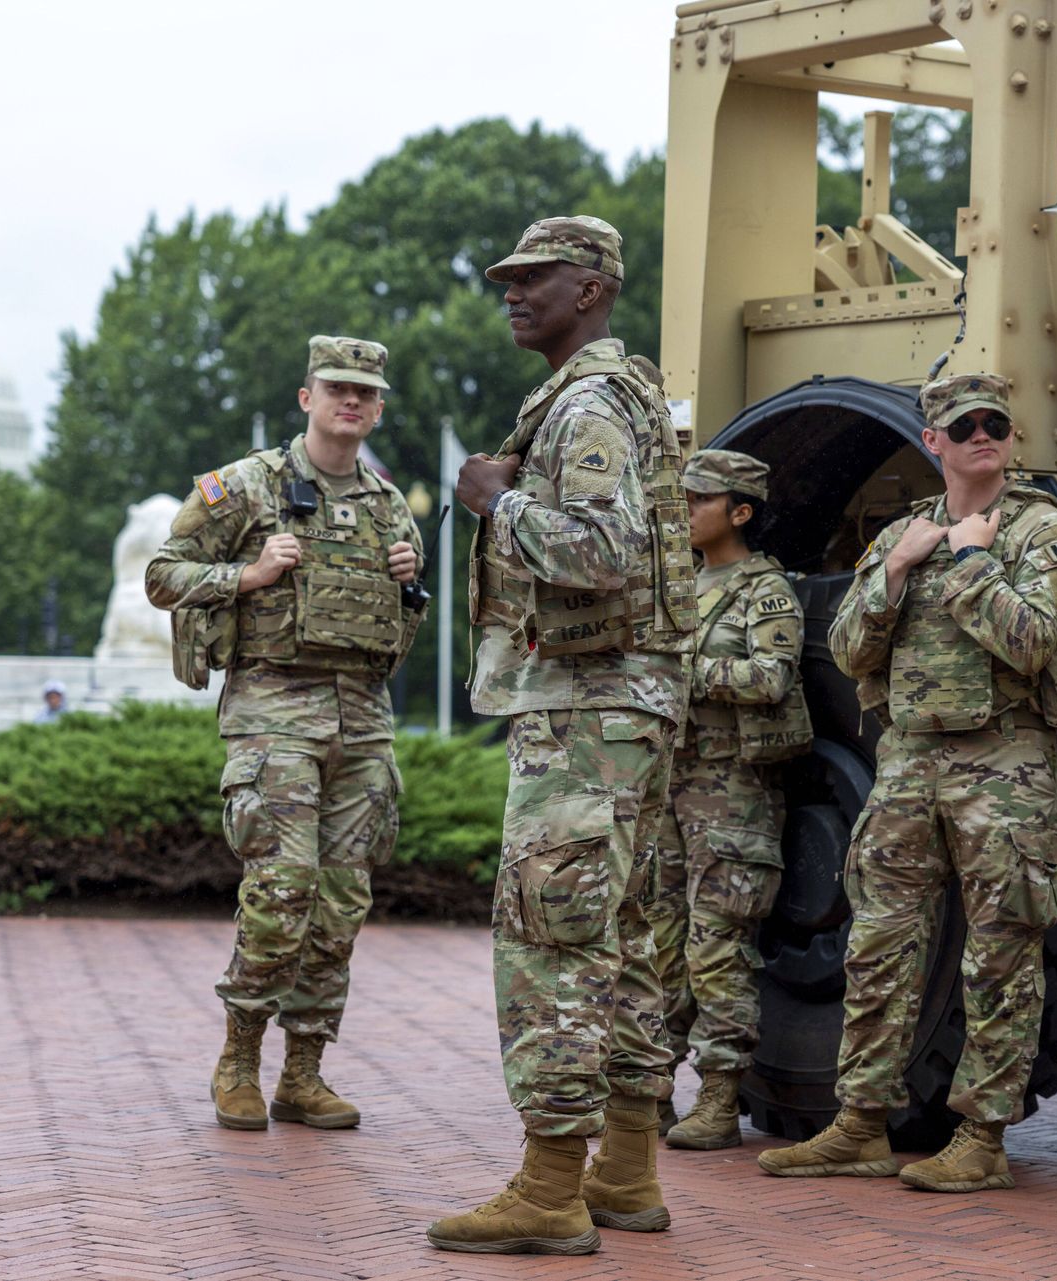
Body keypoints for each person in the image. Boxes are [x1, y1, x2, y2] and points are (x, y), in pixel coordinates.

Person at [426, 216, 695, 1256]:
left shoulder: (587, 404)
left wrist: (497, 504)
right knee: (620, 941)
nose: (511, 292)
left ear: (591, 289)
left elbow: (599, 550)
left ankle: (550, 1188)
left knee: (551, 937)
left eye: (533, 278)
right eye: (507, 278)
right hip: (623, 707)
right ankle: (625, 1171)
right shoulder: (609, 397)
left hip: (589, 711)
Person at [757, 372, 1057, 1193]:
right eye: (964, 425)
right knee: (877, 945)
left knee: (1001, 951)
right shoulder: (904, 532)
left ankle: (982, 1136)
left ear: (1010, 439)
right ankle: (860, 1124)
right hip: (907, 760)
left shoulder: (1041, 530)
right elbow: (848, 649)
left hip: (1003, 763)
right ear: (933, 441)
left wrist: (973, 563)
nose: (983, 434)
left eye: (997, 424)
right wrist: (896, 573)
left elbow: (1036, 643)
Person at [146, 334, 423, 1135]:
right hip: (275, 710)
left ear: (377, 408)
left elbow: (394, 638)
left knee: (341, 901)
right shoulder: (243, 486)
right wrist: (250, 575)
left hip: (362, 718)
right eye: (337, 387)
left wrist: (410, 590)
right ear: (307, 397)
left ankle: (305, 1071)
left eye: (367, 392)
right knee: (283, 888)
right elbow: (162, 573)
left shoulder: (384, 503)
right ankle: (239, 1056)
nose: (352, 402)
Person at [650, 450, 811, 1152]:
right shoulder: (677, 582)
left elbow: (771, 676)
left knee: (717, 949)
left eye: (696, 499)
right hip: (669, 785)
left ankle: (718, 1096)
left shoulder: (763, 588)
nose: (683, 510)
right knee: (658, 945)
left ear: (739, 511)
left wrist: (680, 670)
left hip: (732, 793)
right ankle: (650, 1090)